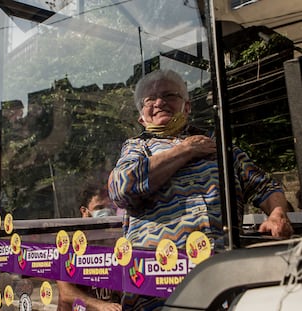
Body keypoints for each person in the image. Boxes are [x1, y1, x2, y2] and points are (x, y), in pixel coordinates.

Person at [108, 69, 294, 310]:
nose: (159, 102)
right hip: (158, 285)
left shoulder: (220, 146)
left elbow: (265, 186)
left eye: (169, 95)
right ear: (142, 117)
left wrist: (277, 213)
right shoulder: (137, 148)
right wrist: (185, 150)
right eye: (149, 99)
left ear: (187, 107)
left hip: (222, 281)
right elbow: (122, 189)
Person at [57, 184, 122, 311]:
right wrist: (101, 305)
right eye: (99, 208)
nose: (106, 212)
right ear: (84, 211)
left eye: (109, 207)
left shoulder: (113, 242)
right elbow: (66, 292)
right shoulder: (70, 245)